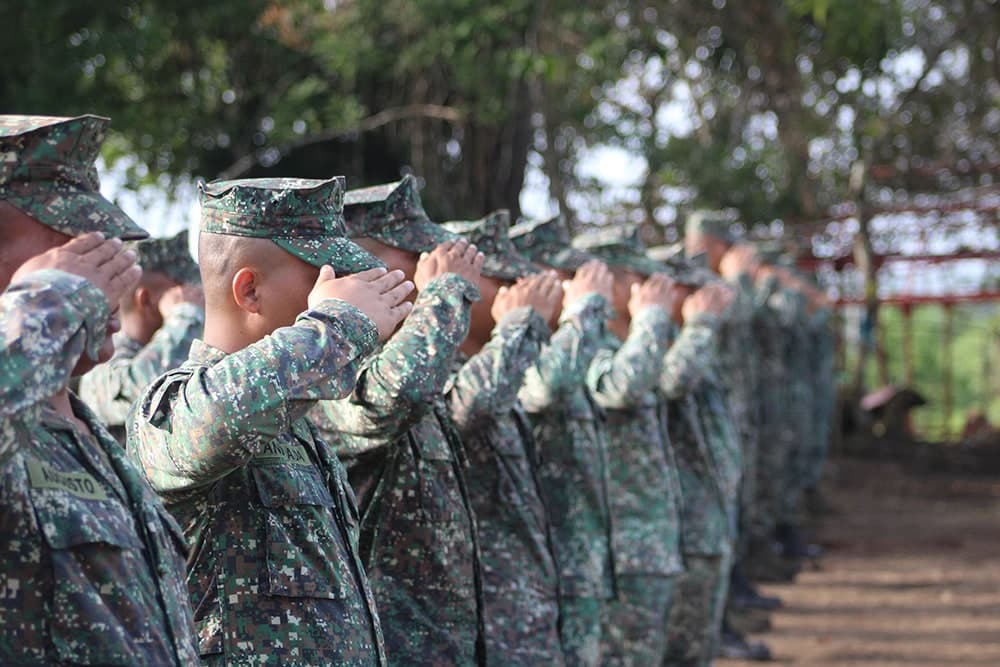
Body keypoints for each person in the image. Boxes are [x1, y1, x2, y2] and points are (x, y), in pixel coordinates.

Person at [127, 175, 413, 665]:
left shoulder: (296, 423)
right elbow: (217, 419)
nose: (337, 291)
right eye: (322, 276)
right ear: (250, 289)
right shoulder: (172, 405)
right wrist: (337, 325)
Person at [0, 114, 199, 664]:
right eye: (74, 251)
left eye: (108, 247)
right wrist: (52, 300)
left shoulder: (85, 435)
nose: (111, 278)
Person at [308, 177, 488, 665]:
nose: (429, 268)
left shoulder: (418, 356)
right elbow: (391, 397)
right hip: (389, 642)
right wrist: (445, 292)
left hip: (441, 639)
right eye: (416, 255)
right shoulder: (329, 368)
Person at [443, 211, 567, 666]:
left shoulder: (503, 362)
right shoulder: (433, 369)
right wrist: (519, 326)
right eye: (501, 279)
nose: (518, 292)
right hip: (487, 621)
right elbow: (470, 408)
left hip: (524, 605)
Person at [573, 226, 684, 666]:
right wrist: (653, 319)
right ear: (611, 282)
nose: (652, 293)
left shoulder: (625, 342)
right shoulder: (587, 342)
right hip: (618, 550)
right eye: (640, 280)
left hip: (645, 540)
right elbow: (619, 388)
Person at [511, 214, 617, 666]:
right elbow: (544, 388)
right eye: (565, 277)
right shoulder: (522, 346)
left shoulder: (566, 342)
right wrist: (582, 312)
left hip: (577, 560)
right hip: (545, 570)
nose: (575, 289)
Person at [79, 229, 203, 441]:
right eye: (181, 294)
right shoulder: (101, 363)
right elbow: (145, 389)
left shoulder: (182, 352)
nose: (196, 302)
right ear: (145, 300)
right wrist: (185, 315)